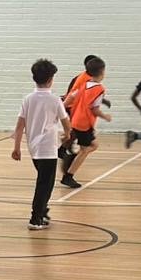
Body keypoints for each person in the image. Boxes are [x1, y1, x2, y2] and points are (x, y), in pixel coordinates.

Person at [11, 58, 71, 230]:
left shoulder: (28, 99)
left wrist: (16, 147)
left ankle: (43, 211)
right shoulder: (55, 100)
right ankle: (36, 218)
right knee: (45, 184)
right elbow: (65, 121)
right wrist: (67, 134)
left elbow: (20, 125)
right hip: (48, 148)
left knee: (44, 180)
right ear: (51, 79)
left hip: (34, 147)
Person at [60, 56, 111, 189]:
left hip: (76, 120)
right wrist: (105, 116)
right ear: (102, 72)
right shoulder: (99, 89)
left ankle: (70, 162)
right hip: (84, 123)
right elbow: (94, 109)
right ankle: (68, 174)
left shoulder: (84, 84)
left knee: (92, 145)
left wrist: (62, 107)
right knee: (87, 148)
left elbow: (71, 96)